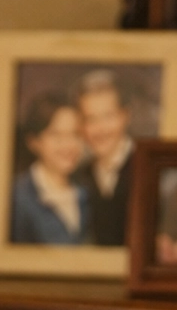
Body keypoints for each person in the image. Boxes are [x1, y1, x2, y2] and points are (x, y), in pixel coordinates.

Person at [9, 91, 90, 245]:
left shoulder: (87, 192)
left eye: (75, 134)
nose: (68, 145)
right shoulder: (17, 197)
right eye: (56, 135)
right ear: (34, 141)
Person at [72, 67, 136, 246]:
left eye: (108, 117)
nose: (100, 129)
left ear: (125, 116)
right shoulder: (78, 177)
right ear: (81, 125)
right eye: (91, 119)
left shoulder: (146, 170)